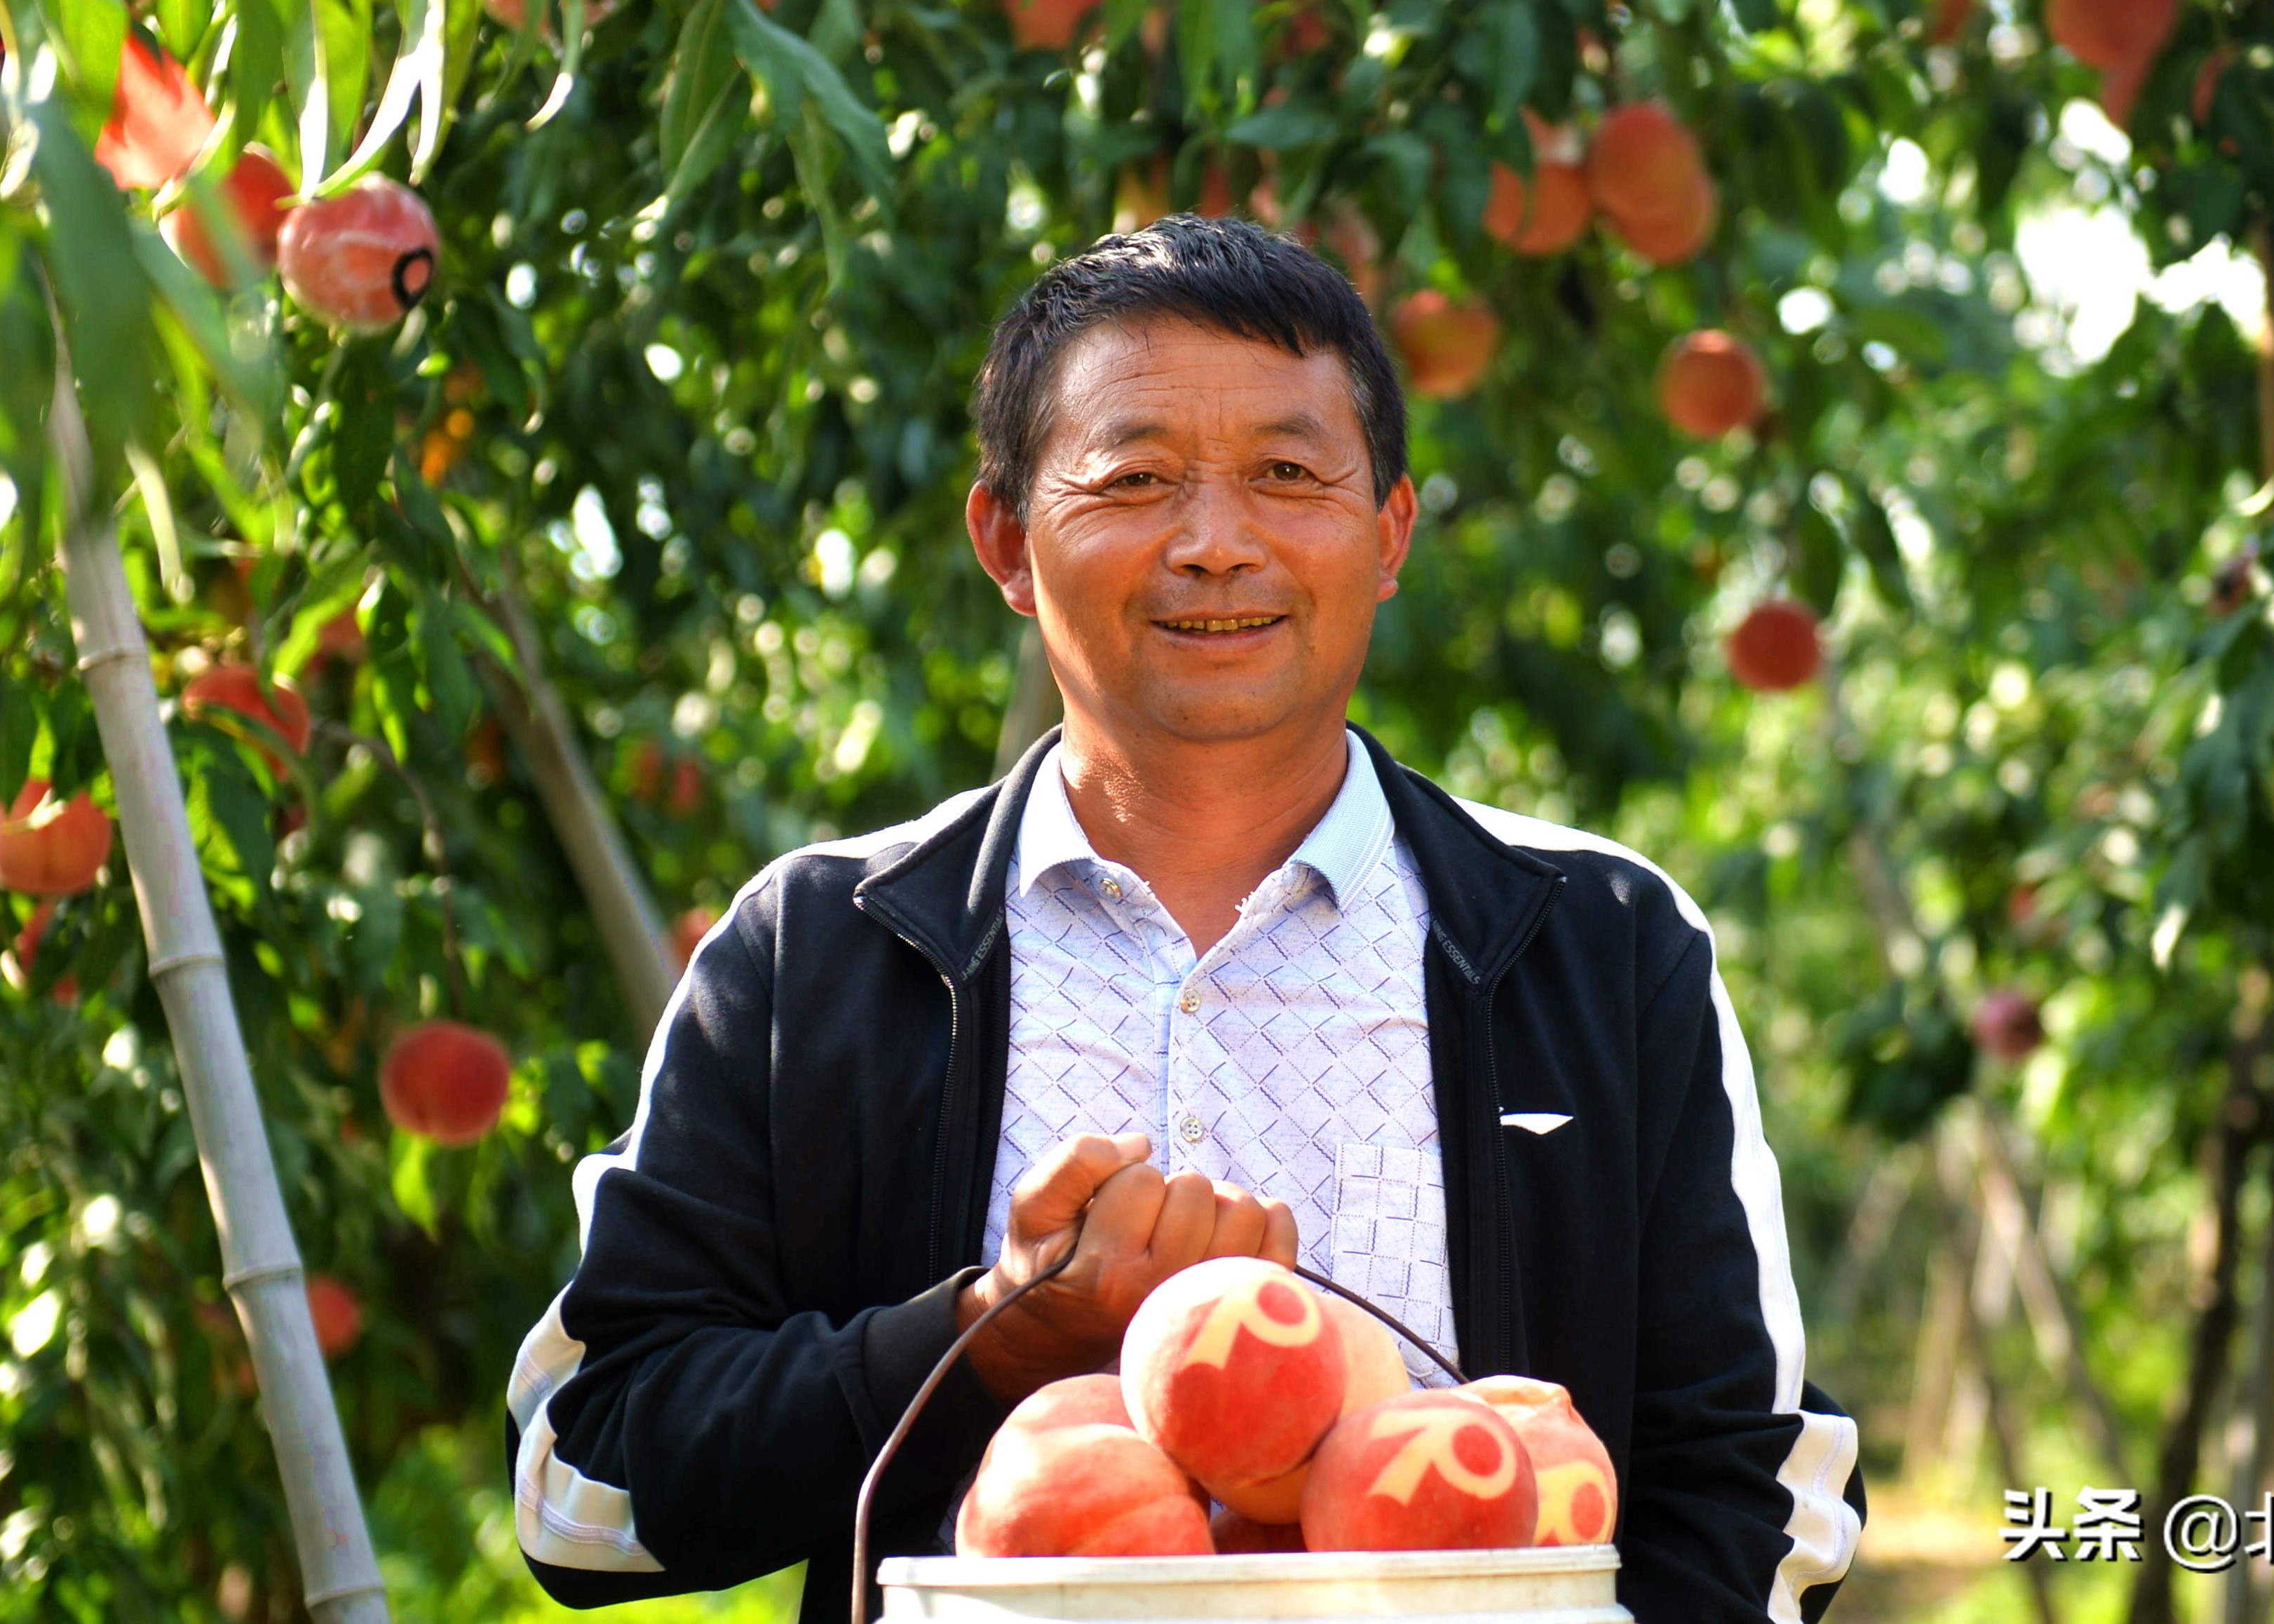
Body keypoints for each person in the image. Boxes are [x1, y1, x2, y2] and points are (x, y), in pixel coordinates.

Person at [507, 217, 1864, 1622]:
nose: (1215, 545)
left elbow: (1770, 1493)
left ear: (1388, 530)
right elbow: (579, 1485)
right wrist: (979, 1339)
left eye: (1286, 474)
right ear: (1006, 541)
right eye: (1135, 478)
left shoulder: (1596, 942)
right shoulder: (824, 952)